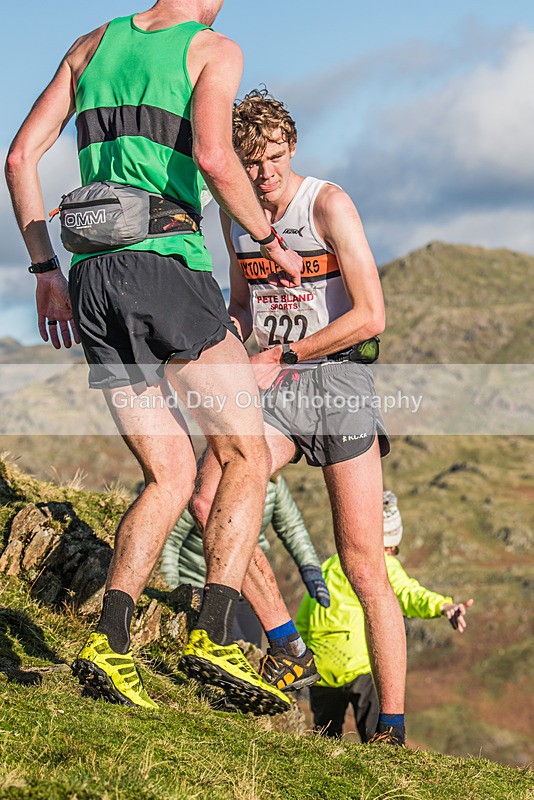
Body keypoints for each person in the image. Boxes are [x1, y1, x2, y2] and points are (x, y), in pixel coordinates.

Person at [5, 2, 303, 716]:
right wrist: (267, 239)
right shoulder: (211, 49)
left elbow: (19, 157)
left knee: (169, 473)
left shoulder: (90, 45)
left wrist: (44, 269)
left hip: (91, 280)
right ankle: (214, 636)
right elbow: (211, 156)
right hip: (164, 263)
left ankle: (110, 642)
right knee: (245, 452)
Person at [189, 89, 409, 743]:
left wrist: (287, 351)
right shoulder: (236, 219)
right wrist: (217, 350)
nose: (265, 176)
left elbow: (372, 316)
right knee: (207, 499)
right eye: (251, 164)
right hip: (274, 386)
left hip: (339, 383)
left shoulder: (328, 204)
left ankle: (390, 728)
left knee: (364, 563)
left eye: (276, 159)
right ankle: (286, 642)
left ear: (292, 150)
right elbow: (241, 306)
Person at [296, 490, 474, 741]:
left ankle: (321, 774)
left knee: (325, 736)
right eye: (392, 548)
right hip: (361, 665)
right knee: (376, 737)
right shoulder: (381, 565)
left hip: (322, 668)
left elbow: (304, 617)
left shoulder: (331, 564)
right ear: (389, 543)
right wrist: (443, 606)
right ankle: (382, 771)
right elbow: (408, 593)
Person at [161, 473, 330, 647]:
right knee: (227, 644)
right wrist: (171, 588)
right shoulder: (206, 483)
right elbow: (171, 538)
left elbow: (292, 528)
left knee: (251, 649)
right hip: (200, 584)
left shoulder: (273, 482)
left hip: (246, 586)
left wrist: (310, 568)